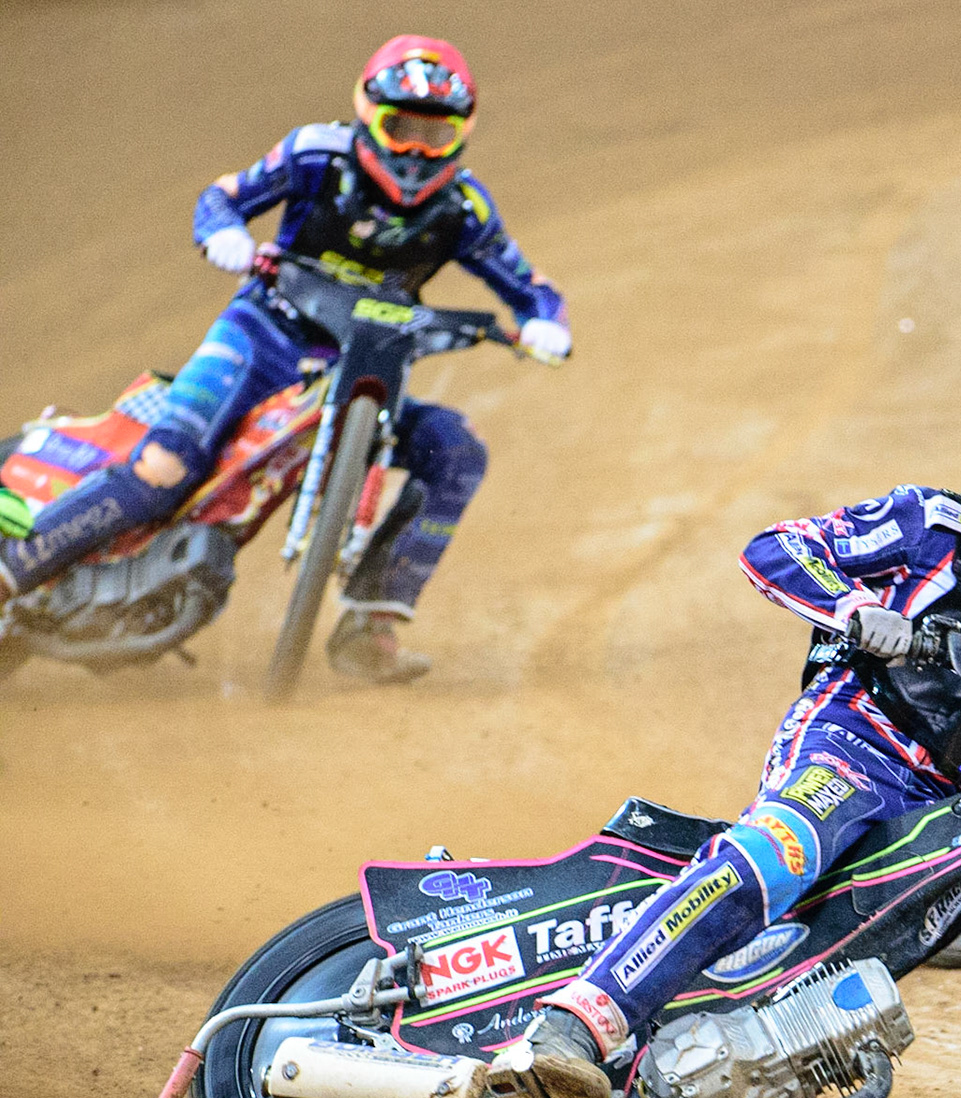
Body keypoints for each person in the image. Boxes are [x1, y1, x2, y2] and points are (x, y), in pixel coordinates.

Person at [489, 389, 961, 1098]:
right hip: (854, 740)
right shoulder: (932, 529)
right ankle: (573, 1026)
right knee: (784, 846)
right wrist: (852, 607)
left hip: (956, 803)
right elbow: (778, 548)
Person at [0, 35, 570, 683]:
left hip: (363, 365)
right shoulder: (314, 154)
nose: (414, 151)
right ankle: (11, 573)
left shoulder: (464, 209)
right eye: (401, 127)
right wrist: (224, 234)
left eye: (432, 135)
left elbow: (532, 290)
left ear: (461, 134)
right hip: (260, 335)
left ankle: (369, 626)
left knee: (457, 451)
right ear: (366, 111)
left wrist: (543, 325)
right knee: (165, 468)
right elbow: (224, 197)